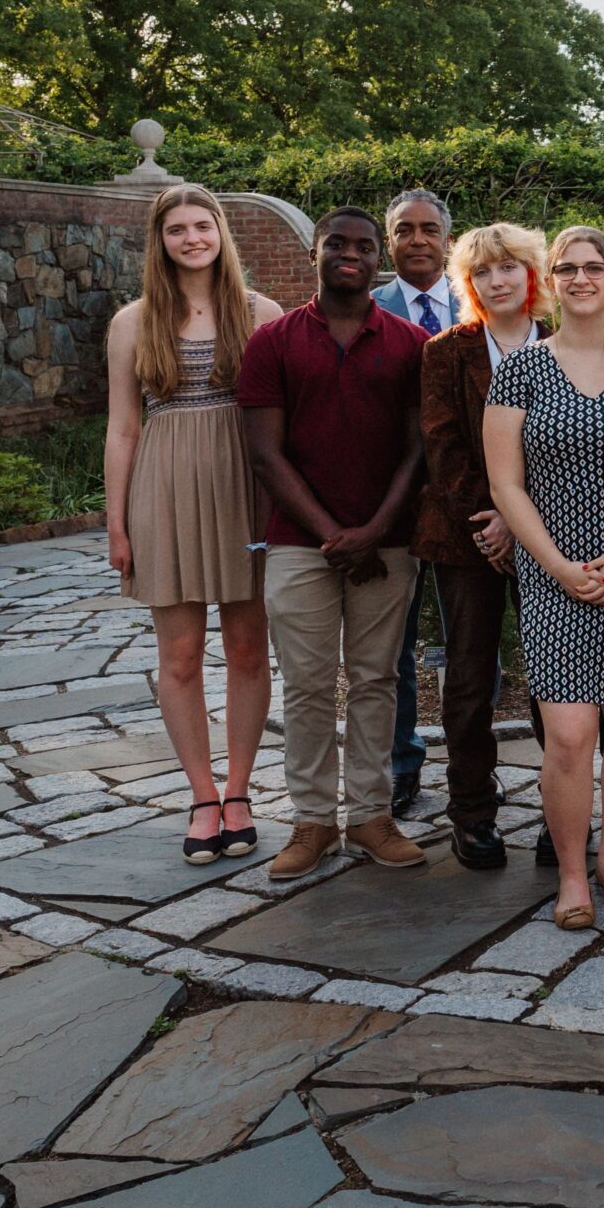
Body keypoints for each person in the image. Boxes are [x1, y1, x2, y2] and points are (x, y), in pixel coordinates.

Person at [238, 207, 429, 879]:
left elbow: (419, 449)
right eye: (337, 244)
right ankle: (313, 820)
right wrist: (332, 535)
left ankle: (373, 816)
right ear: (313, 254)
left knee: (379, 679)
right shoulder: (274, 342)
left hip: (388, 541)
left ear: (379, 259)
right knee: (309, 685)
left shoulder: (409, 342)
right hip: (299, 544)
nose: (351, 254)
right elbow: (265, 453)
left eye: (363, 245)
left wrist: (375, 530)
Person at [485, 225, 604, 927]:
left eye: (597, 267)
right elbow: (506, 485)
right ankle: (570, 874)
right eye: (569, 268)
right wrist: (557, 566)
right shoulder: (521, 369)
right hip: (552, 573)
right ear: (551, 281)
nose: (583, 277)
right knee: (566, 734)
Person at [103, 185, 285, 865]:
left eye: (201, 225)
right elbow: (123, 428)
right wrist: (116, 521)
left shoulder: (261, 312)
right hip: (166, 489)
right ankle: (202, 796)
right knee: (178, 657)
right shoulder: (133, 322)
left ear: (220, 232)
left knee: (246, 648)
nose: (191, 238)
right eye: (177, 228)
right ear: (161, 240)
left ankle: (240, 792)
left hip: (243, 487)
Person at [413, 222, 551, 871]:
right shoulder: (446, 351)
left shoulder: (561, 346)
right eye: (485, 271)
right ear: (471, 283)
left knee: (556, 675)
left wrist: (525, 521)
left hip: (553, 534)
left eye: (510, 267)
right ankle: (471, 813)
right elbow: (442, 446)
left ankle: (563, 809)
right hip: (470, 539)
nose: (498, 280)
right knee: (469, 678)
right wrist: (492, 517)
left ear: (532, 275)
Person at [374, 187, 459, 818]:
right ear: (390, 240)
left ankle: (470, 767)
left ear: (448, 239)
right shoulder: (368, 309)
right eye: (405, 230)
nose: (418, 240)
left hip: (467, 506)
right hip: (394, 504)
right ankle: (402, 765)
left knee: (469, 646)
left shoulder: (479, 302)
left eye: (429, 229)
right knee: (393, 649)